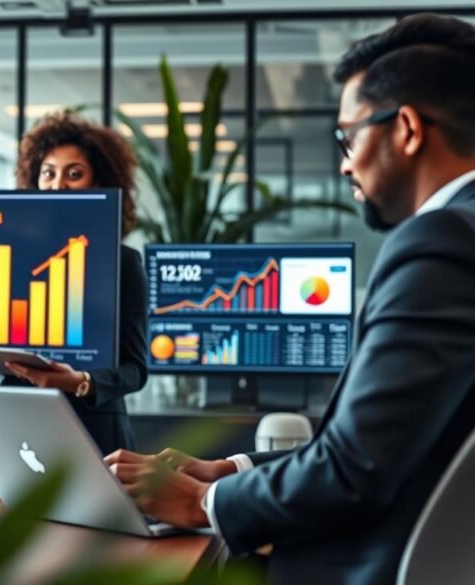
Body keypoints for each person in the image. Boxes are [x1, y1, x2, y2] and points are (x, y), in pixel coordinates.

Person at [104, 13, 475, 585]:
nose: (345, 162)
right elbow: (381, 446)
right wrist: (229, 469)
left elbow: (353, 471)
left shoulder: (442, 242)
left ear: (405, 128)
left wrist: (201, 503)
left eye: (349, 136)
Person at [0, 111, 149, 454]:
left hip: (92, 432)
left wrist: (81, 382)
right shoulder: (9, 259)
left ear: (98, 184)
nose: (58, 184)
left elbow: (135, 370)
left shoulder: (123, 264)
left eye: (73, 174)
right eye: (48, 173)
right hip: (13, 427)